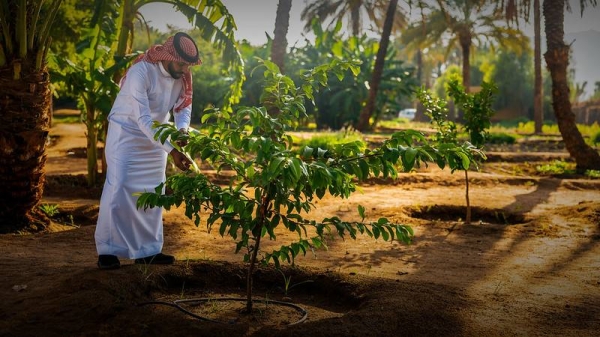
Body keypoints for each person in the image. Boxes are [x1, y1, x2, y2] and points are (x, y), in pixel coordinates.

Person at [95, 32, 200, 269]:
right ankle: (108, 251)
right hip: (127, 134)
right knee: (119, 187)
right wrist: (172, 151)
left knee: (154, 190)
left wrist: (182, 131)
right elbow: (142, 119)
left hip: (157, 137)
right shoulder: (140, 72)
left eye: (188, 65)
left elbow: (183, 106)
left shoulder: (182, 75)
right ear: (167, 56)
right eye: (182, 64)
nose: (185, 70)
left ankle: (148, 250)